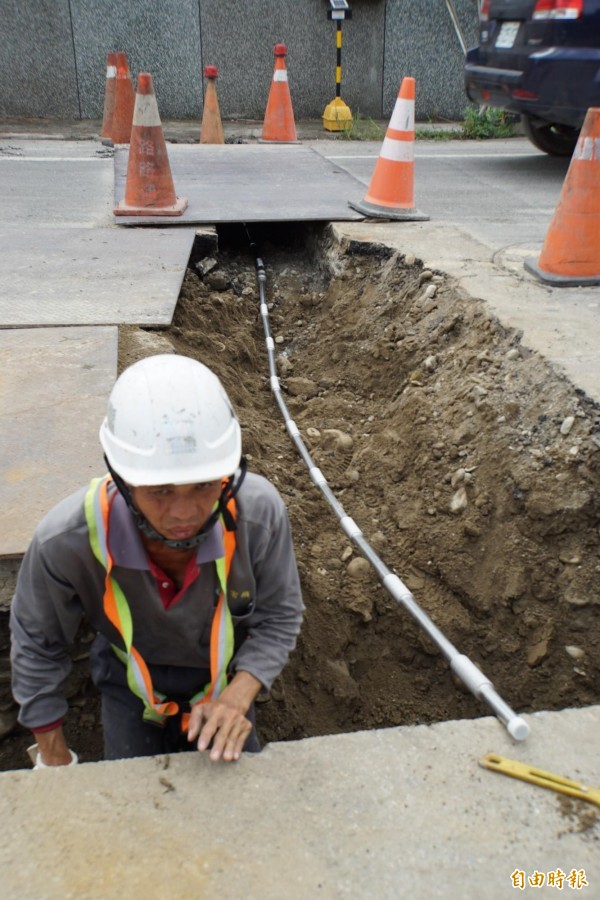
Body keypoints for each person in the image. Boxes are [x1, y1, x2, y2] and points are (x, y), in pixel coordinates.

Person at [10, 354, 304, 766]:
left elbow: (279, 616)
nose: (184, 513)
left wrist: (236, 698)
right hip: (128, 682)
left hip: (222, 677)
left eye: (202, 486)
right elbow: (37, 644)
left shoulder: (257, 515)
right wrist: (54, 759)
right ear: (122, 478)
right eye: (161, 491)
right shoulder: (67, 540)